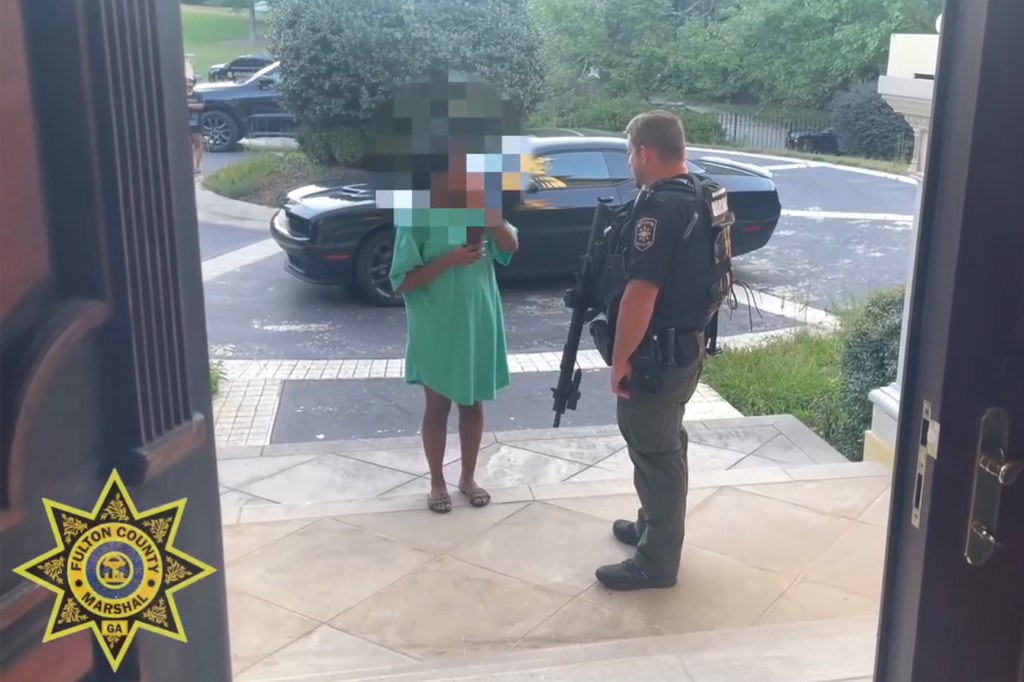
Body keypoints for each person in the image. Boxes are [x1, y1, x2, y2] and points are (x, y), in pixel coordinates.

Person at [594, 110, 726, 591]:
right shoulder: (704, 193)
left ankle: (656, 561)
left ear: (644, 152)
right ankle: (652, 527)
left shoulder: (657, 210)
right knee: (665, 442)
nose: (630, 161)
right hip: (687, 347)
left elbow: (641, 293)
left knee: (655, 449)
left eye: (630, 151)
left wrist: (621, 359)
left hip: (656, 354)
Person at [388, 147, 519, 514]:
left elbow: (510, 246)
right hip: (436, 323)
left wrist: (491, 216)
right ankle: (436, 482)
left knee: (472, 401)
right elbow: (402, 281)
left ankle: (468, 478)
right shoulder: (416, 217)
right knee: (437, 405)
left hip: (477, 319)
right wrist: (449, 260)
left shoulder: (480, 210)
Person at [186, 76, 204, 174]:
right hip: (184, 124)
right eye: (186, 81)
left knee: (198, 143)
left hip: (196, 123)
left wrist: (188, 106)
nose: (188, 83)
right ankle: (188, 165)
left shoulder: (198, 95)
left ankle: (197, 166)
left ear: (193, 84)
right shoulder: (179, 94)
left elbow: (201, 106)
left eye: (190, 81)